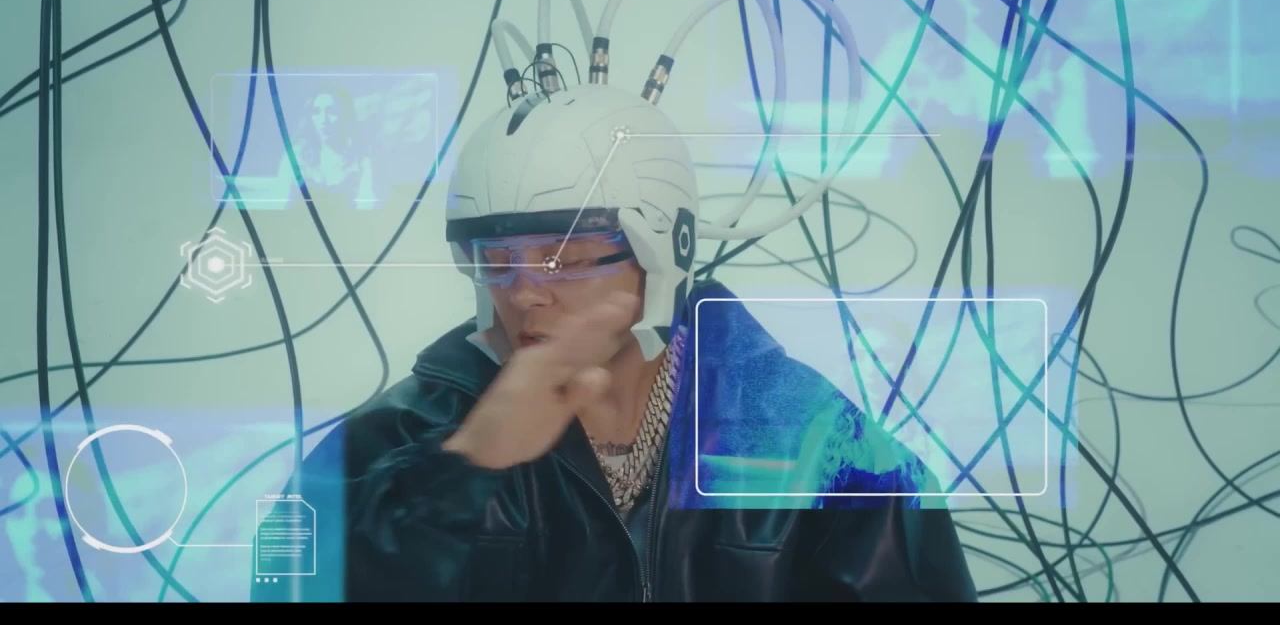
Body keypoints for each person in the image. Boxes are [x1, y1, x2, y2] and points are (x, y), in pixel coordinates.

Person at [248, 82, 978, 603]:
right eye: (497, 260)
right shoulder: (402, 437)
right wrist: (462, 472)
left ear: (663, 252)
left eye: (565, 257)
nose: (523, 292)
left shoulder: (812, 442)